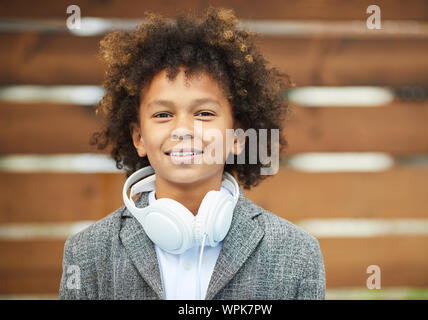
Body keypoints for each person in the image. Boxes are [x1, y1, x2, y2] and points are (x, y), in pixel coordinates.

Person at [59, 6, 326, 300]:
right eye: (162, 115)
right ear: (139, 138)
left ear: (238, 136)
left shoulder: (297, 255)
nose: (183, 129)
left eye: (204, 113)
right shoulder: (86, 254)